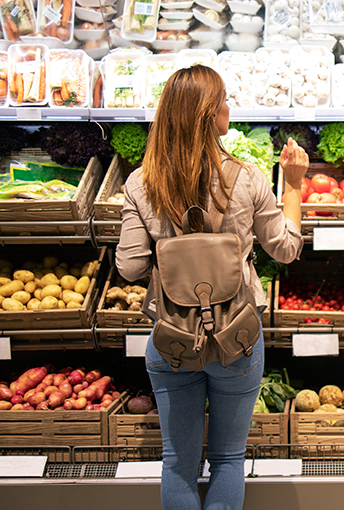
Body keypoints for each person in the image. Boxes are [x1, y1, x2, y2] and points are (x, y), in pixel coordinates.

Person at [116, 65, 308, 510]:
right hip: (236, 338)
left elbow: (129, 266)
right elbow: (285, 248)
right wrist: (294, 186)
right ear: (207, 115)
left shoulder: (141, 183)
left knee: (178, 462)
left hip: (172, 340)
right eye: (222, 100)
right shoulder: (248, 178)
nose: (228, 107)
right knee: (226, 459)